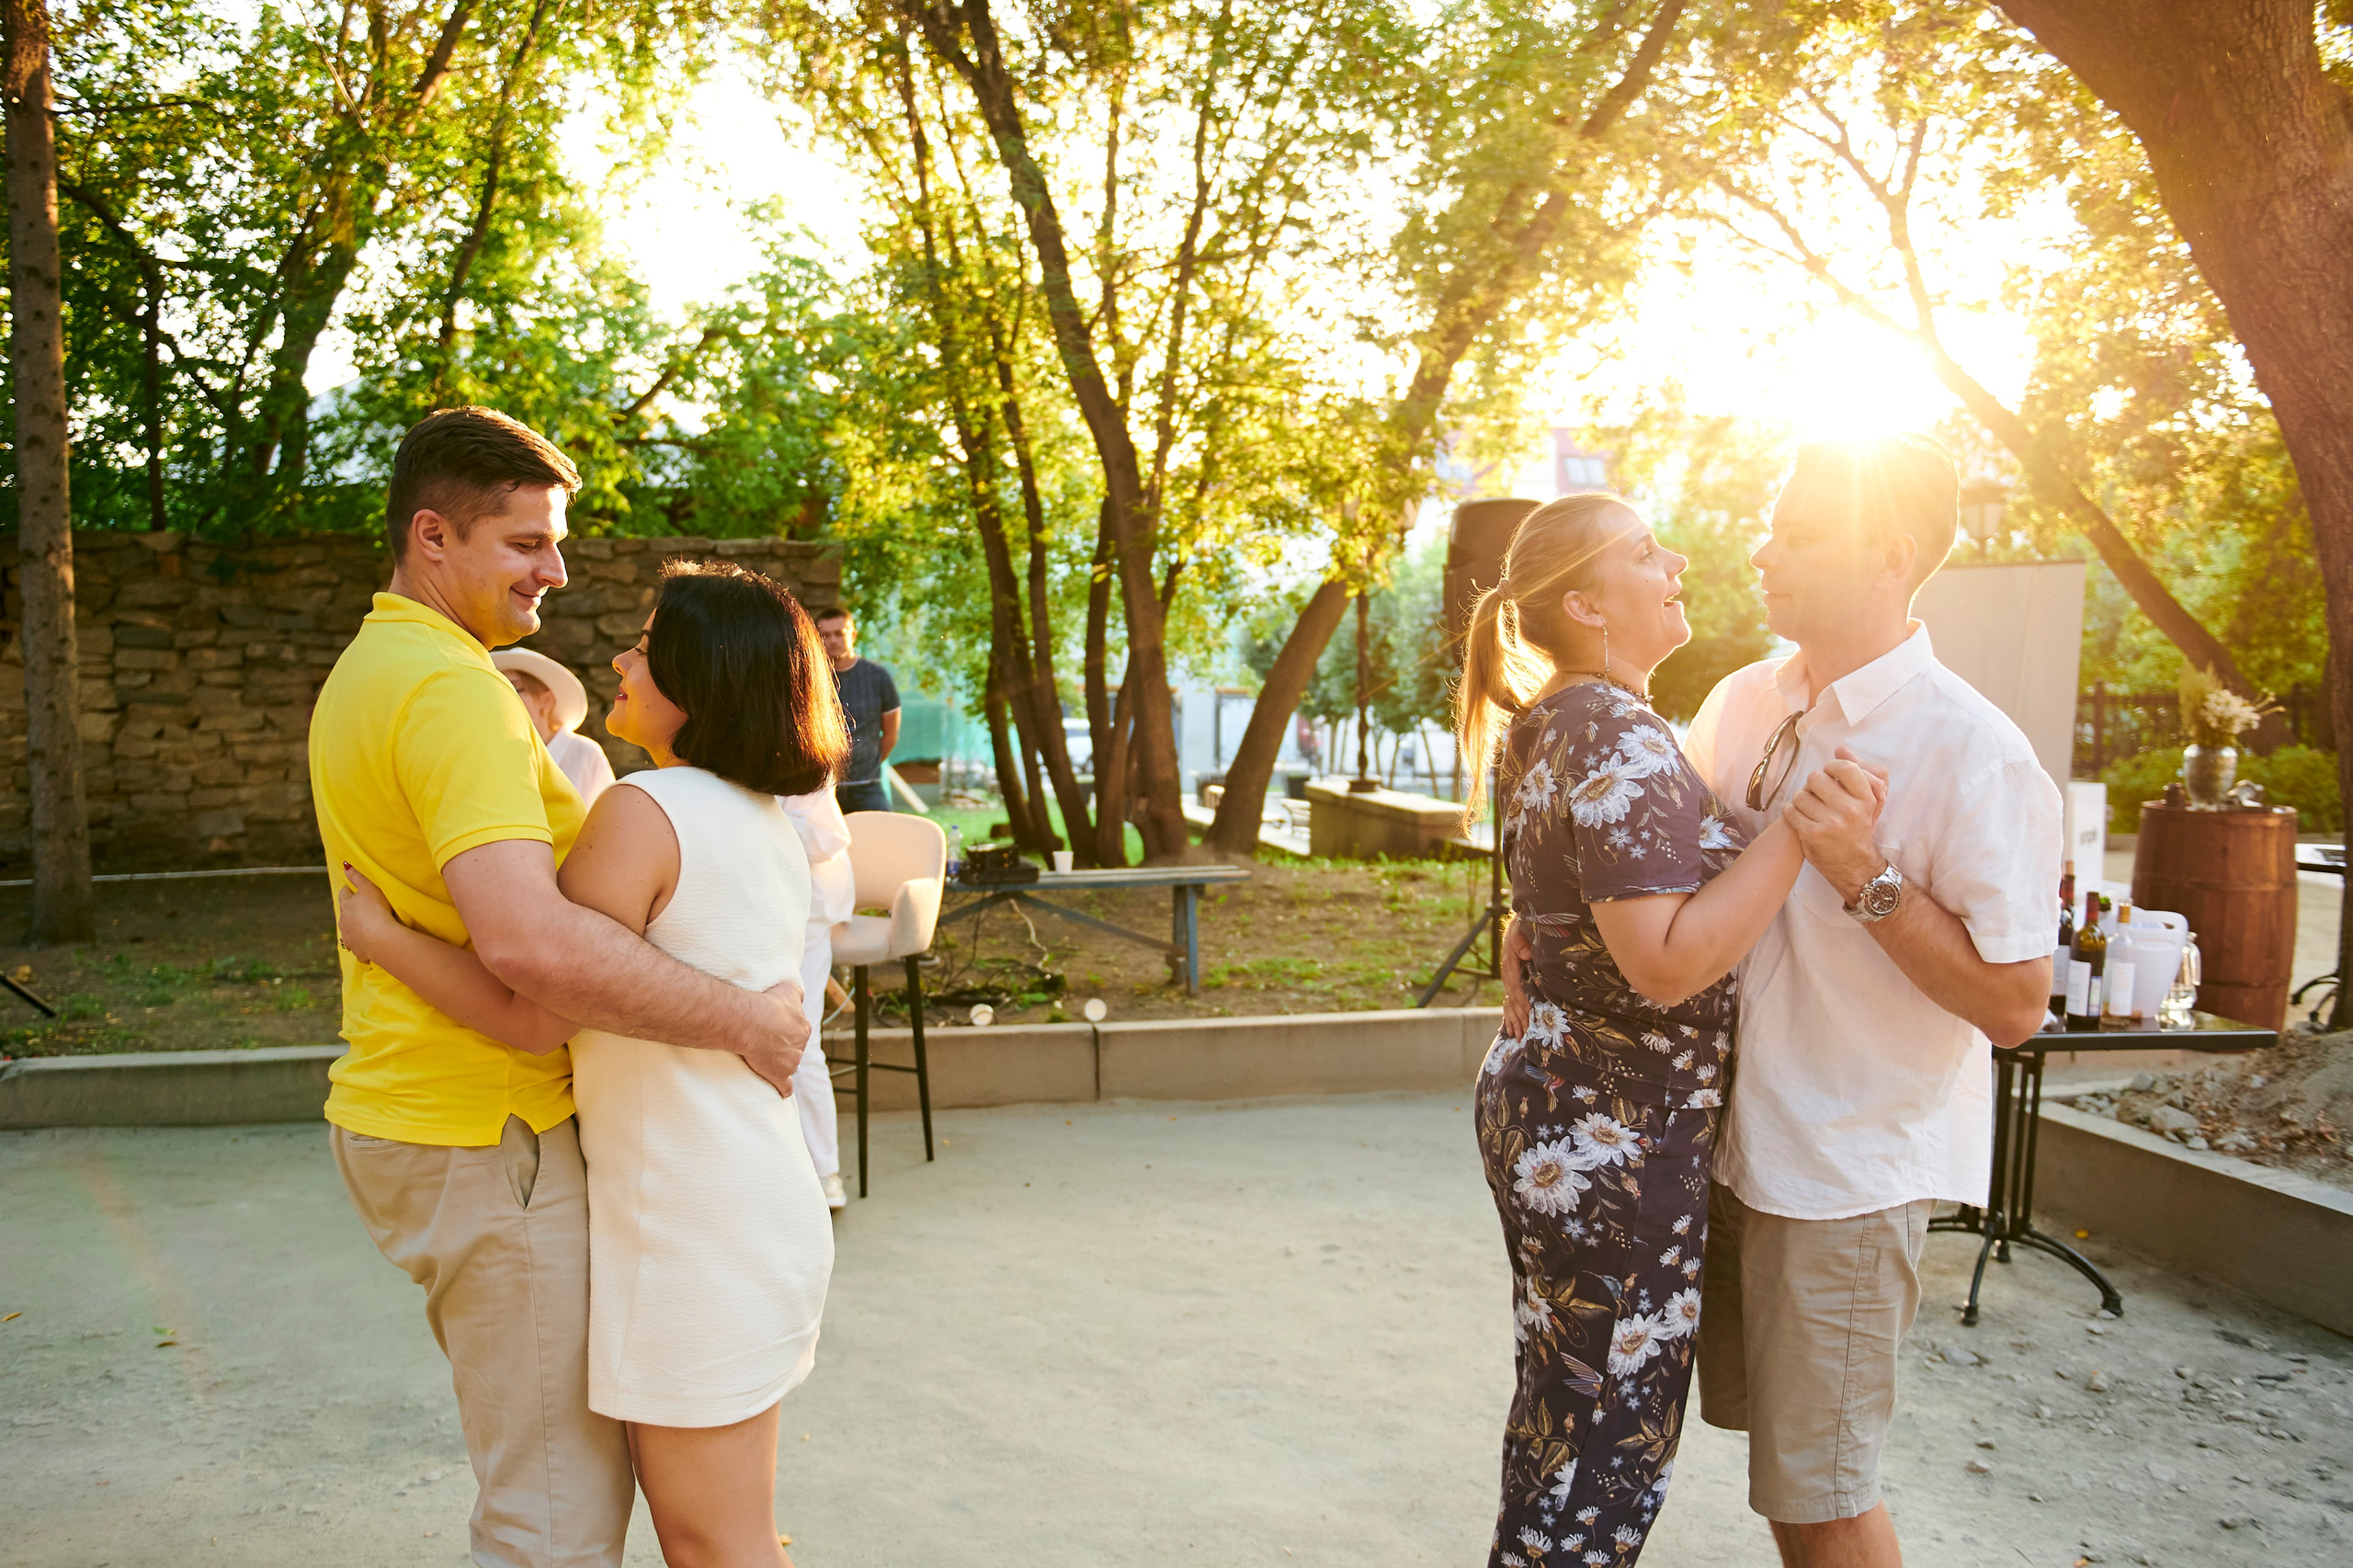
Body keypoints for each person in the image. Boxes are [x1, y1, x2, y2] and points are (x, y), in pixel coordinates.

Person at [1511, 436, 2060, 1568]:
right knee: (1785, 1487)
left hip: (1838, 1175)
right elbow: (1653, 866)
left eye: (1798, 534)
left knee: (1823, 1499)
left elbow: (2015, 1006)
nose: (1761, 553)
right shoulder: (1742, 698)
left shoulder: (1973, 750)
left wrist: (1866, 875)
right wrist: (1547, 925)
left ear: (1888, 555)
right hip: (1718, 1152)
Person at [308, 407, 812, 1568]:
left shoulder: (379, 668)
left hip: (459, 1114)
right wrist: (747, 1017)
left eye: (556, 541)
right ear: (433, 535)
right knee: (555, 1520)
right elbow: (533, 954)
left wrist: (379, 937)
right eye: (527, 542)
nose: (558, 570)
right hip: (487, 1122)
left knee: (609, 1505)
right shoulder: (453, 691)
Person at [1459, 492, 1885, 1568]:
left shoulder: (1561, 714)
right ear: (1586, 603)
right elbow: (1663, 961)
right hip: (1615, 1136)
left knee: (1566, 1416)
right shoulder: (1615, 729)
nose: (1677, 562)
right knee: (1603, 1444)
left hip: (1564, 1107)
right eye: (1647, 552)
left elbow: (1572, 885)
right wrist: (1799, 831)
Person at [779, 785, 855, 1210]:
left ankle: (824, 1170)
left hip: (805, 910)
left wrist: (750, 818)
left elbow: (829, 835)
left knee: (801, 1040)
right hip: (742, 903)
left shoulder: (803, 756)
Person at [493, 645, 618, 805]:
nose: (504, 697)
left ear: (547, 701)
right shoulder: (495, 752)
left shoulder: (585, 754)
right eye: (499, 689)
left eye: (515, 688)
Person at [815, 605, 900, 814]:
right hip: (822, 789)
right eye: (826, 635)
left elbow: (890, 735)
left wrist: (867, 762)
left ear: (853, 635)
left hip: (867, 787)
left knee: (882, 832)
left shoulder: (878, 677)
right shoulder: (812, 679)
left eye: (839, 633)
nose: (833, 640)